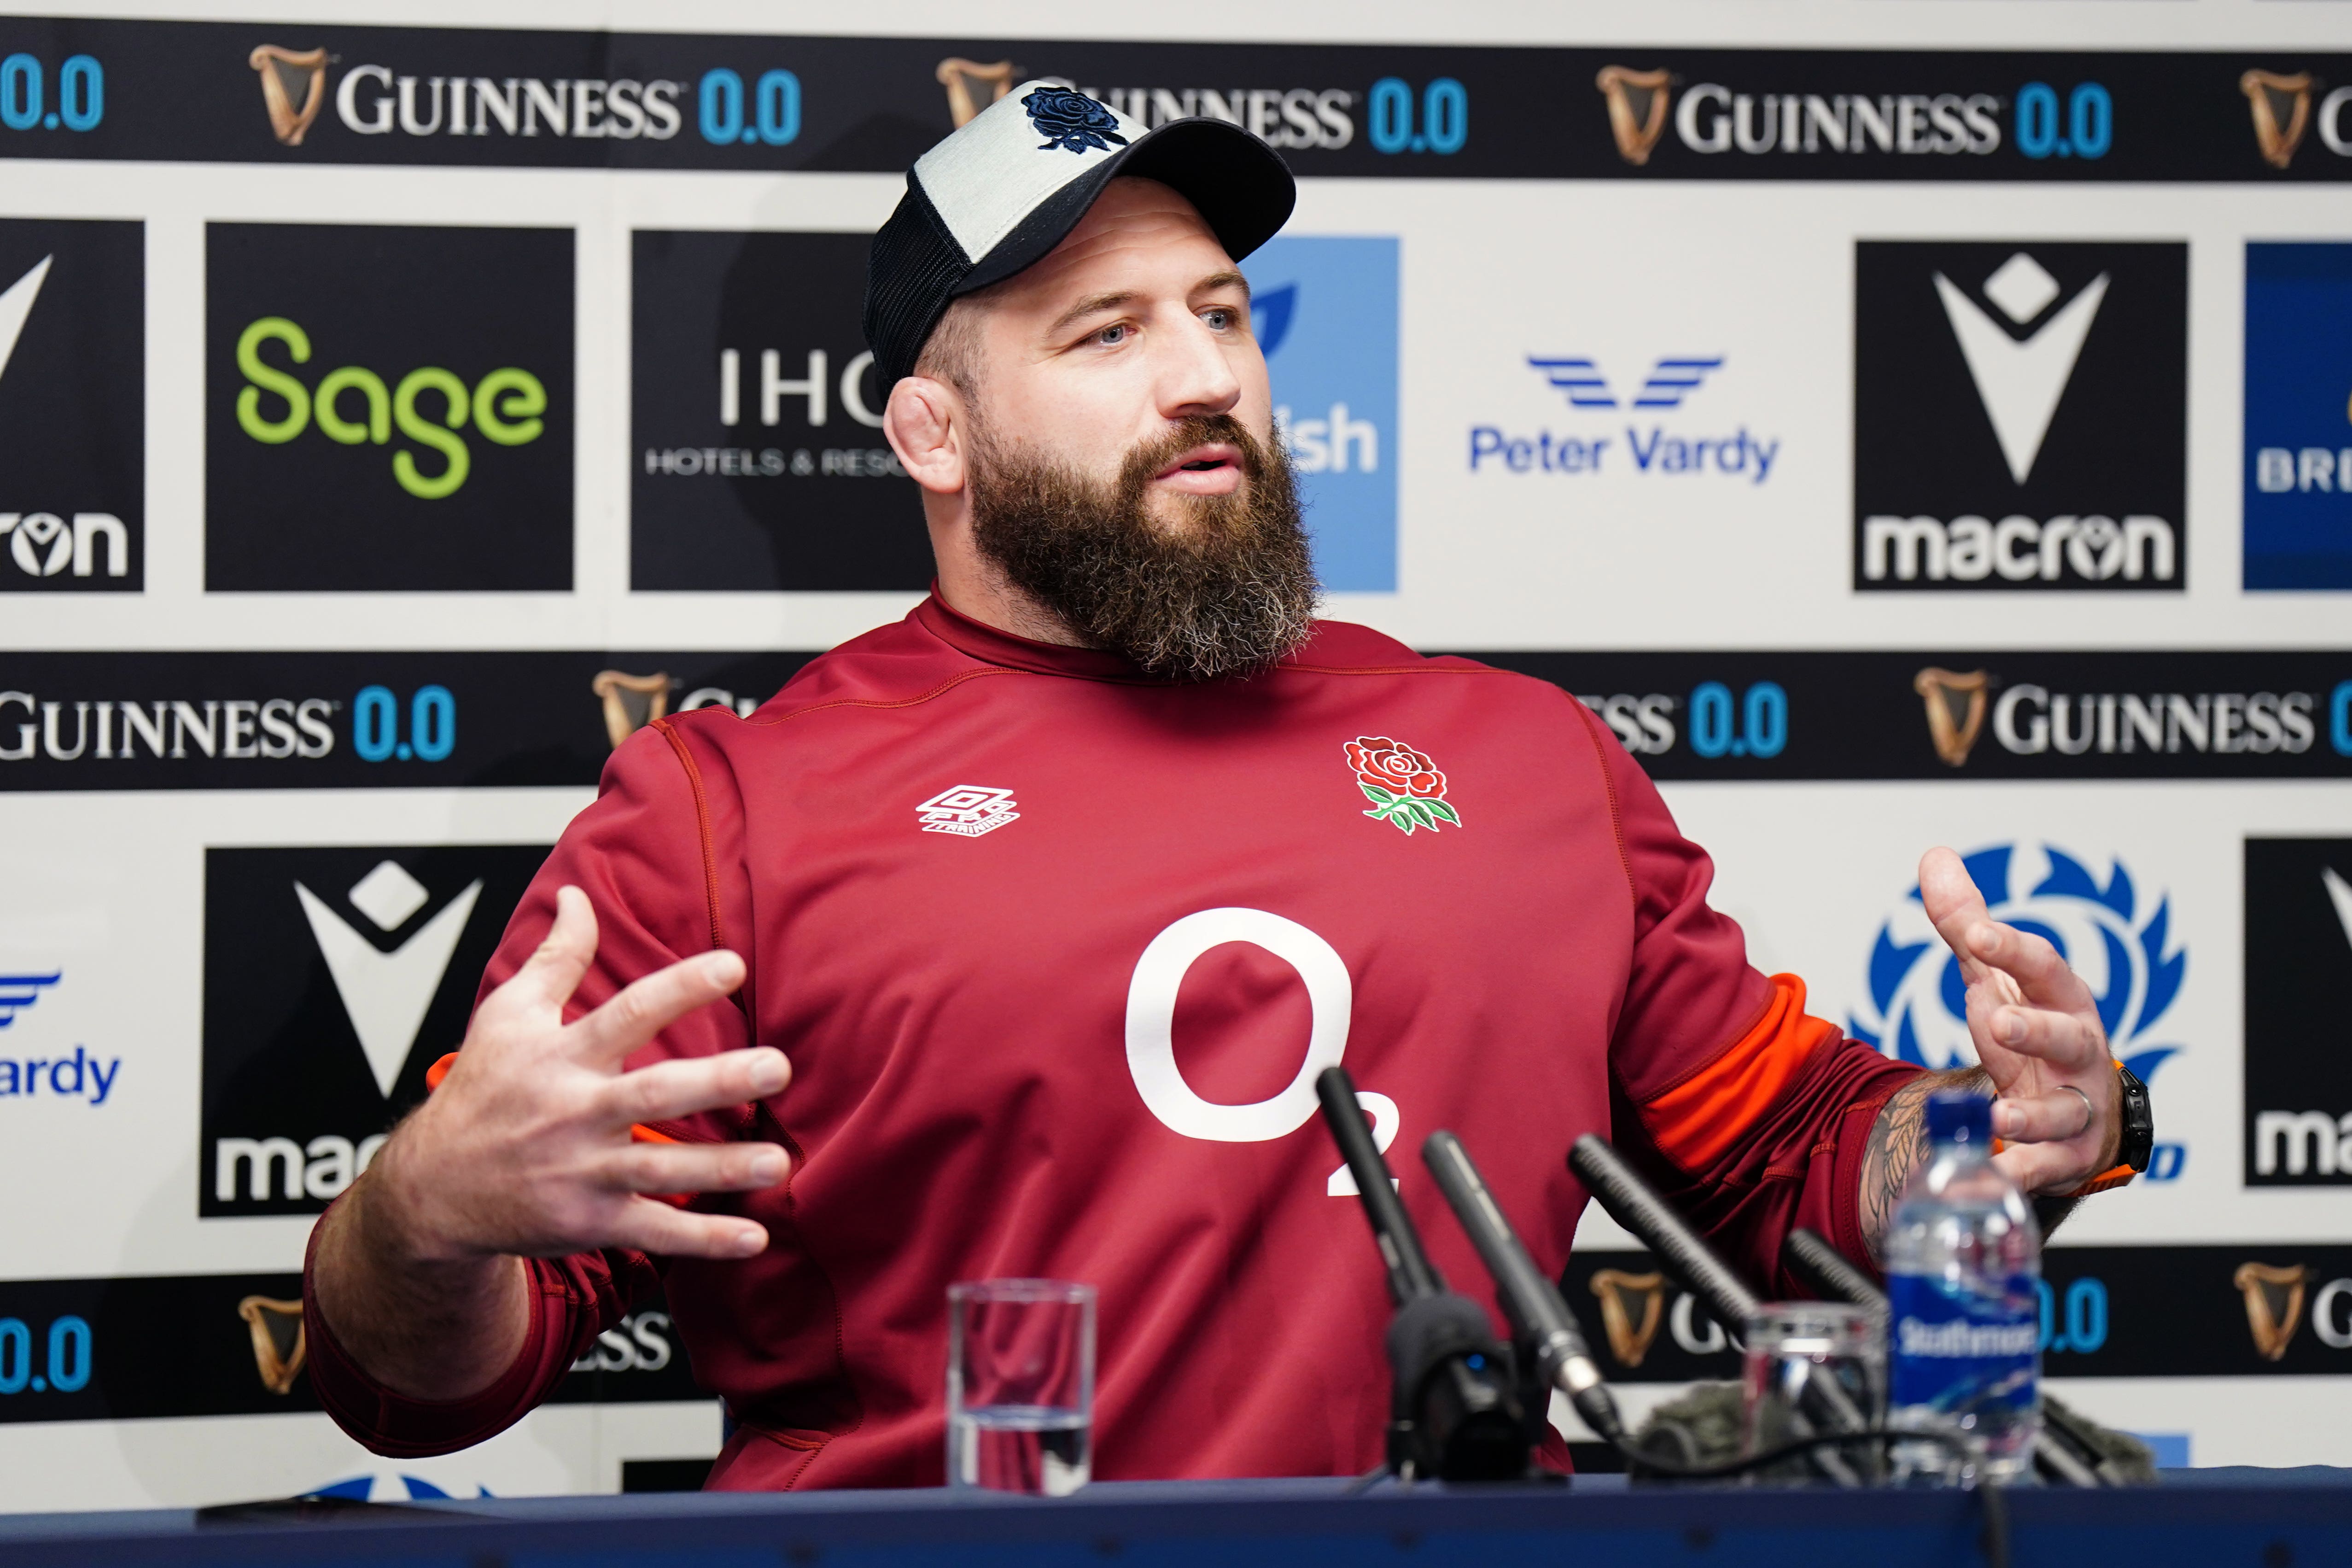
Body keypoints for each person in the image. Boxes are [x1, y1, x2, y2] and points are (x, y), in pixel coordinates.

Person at [303, 84, 2144, 1488]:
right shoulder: (729, 812)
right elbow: (426, 1379)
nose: (1202, 379)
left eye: (1223, 316)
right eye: (1104, 335)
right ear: (930, 433)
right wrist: (423, 1215)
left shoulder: (1519, 758)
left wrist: (1994, 1144)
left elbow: (1792, 1170)